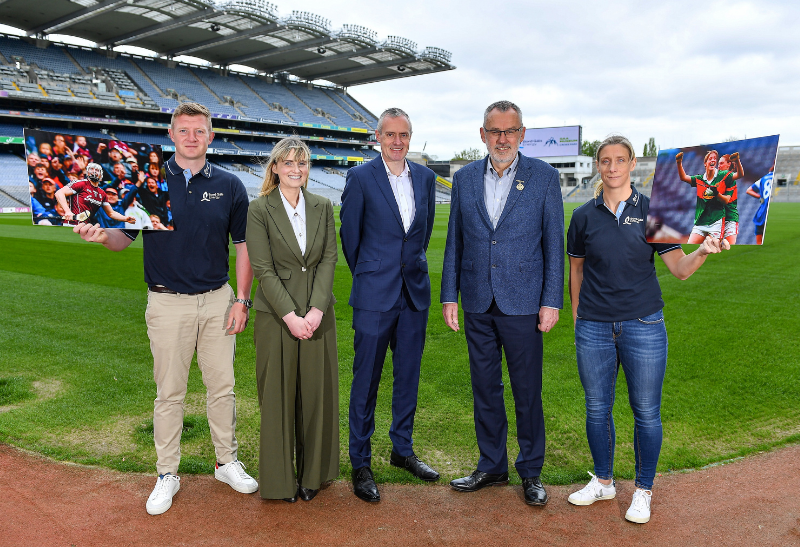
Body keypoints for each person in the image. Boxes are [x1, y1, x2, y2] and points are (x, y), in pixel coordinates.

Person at [71, 102, 258, 516]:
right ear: (171, 135)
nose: (192, 137)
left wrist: (242, 301)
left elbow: (243, 246)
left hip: (216, 300)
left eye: (200, 130)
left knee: (222, 387)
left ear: (210, 136)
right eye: (184, 130)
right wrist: (100, 237)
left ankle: (226, 462)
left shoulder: (229, 185)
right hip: (165, 301)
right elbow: (123, 239)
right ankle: (166, 474)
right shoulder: (147, 182)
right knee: (169, 394)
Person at [566, 135, 729, 524]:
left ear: (632, 163)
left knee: (646, 413)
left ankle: (642, 490)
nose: (612, 167)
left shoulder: (654, 211)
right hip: (594, 327)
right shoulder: (583, 216)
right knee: (596, 409)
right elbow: (576, 270)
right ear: (598, 166)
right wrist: (578, 320)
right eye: (605, 160)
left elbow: (680, 270)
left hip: (644, 325)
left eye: (619, 160)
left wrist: (703, 251)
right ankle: (604, 481)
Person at [441, 100, 564, 506]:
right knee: (485, 389)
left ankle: (530, 471)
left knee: (527, 391)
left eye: (510, 131)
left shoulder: (544, 177)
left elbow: (553, 243)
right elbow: (454, 242)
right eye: (495, 131)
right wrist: (449, 295)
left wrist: (551, 301)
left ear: (522, 134)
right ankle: (492, 465)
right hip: (477, 300)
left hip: (525, 302)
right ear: (482, 135)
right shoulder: (464, 179)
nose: (503, 138)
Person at [340, 107, 439, 503]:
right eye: (390, 134)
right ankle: (360, 461)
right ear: (377, 137)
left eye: (404, 135)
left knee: (407, 379)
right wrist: (373, 274)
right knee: (366, 382)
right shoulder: (360, 177)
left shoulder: (427, 178)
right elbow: (351, 237)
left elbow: (422, 232)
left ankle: (402, 449)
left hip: (414, 294)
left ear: (410, 138)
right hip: (374, 296)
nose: (397, 141)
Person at [246, 137, 339, 503]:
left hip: (318, 318)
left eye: (301, 162)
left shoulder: (323, 206)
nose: (295, 169)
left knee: (317, 396)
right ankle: (280, 482)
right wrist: (290, 316)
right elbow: (263, 269)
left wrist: (315, 311)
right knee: (278, 399)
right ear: (275, 168)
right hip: (276, 318)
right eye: (288, 163)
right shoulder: (259, 209)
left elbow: (328, 259)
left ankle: (313, 476)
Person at [675, 150, 735, 243]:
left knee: (710, 249)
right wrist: (679, 163)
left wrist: (717, 194)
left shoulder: (722, 176)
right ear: (705, 163)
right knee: (690, 247)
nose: (713, 160)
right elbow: (683, 177)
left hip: (716, 221)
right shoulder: (699, 179)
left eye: (715, 159)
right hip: (701, 222)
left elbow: (738, 176)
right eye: (710, 158)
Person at [55, 163, 135, 226]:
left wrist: (125, 218)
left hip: (86, 227)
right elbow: (59, 193)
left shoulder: (102, 193)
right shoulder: (80, 184)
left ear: (101, 175)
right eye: (91, 169)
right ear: (87, 173)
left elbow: (111, 213)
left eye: (97, 170)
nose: (94, 171)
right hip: (71, 225)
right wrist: (67, 211)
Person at [717, 153, 745, 245]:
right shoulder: (716, 177)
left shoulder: (729, 176)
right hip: (717, 218)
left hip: (729, 217)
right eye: (718, 163)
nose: (719, 165)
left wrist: (737, 161)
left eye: (721, 163)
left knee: (729, 246)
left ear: (728, 164)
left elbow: (740, 174)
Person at [746, 163, 774, 244]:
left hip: (761, 214)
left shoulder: (764, 178)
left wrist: (761, 198)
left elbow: (749, 190)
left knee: (759, 244)